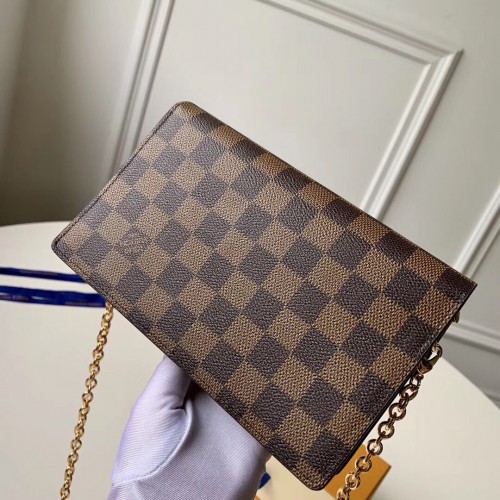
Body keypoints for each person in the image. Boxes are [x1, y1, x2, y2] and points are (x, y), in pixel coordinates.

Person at [108, 355, 270, 500]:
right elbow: (186, 348)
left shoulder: (136, 477)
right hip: (265, 391)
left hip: (271, 404)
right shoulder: (136, 474)